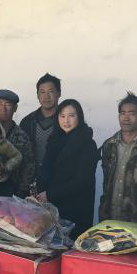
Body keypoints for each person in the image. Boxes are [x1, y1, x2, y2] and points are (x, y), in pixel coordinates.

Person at [37, 99, 99, 239]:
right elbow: (45, 170)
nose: (66, 120)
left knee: (70, 247)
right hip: (50, 209)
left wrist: (50, 195)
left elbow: (82, 181)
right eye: (62, 116)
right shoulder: (54, 139)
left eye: (71, 115)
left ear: (79, 117)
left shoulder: (87, 143)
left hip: (75, 210)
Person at [99, 92, 137, 224]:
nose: (126, 118)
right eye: (122, 113)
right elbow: (106, 185)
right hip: (109, 220)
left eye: (132, 113)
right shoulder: (109, 145)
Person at [0, 89, 35, 198]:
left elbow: (29, 167)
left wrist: (21, 192)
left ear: (15, 108)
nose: (3, 108)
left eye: (8, 104)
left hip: (13, 194)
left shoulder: (23, 137)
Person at [20, 73, 62, 177]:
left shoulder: (67, 122)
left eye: (50, 91)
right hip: (31, 180)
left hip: (59, 179)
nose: (46, 96)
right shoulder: (27, 122)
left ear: (59, 93)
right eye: (42, 92)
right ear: (37, 95)